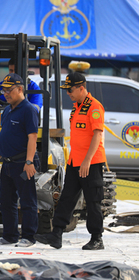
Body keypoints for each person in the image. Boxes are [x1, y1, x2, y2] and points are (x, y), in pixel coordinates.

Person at [35, 72, 106, 250]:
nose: (68, 93)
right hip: (75, 161)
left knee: (93, 200)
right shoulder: (77, 107)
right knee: (67, 198)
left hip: (91, 163)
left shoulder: (95, 107)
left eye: (70, 90)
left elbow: (97, 136)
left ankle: (97, 238)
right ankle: (56, 234)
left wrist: (87, 161)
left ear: (81, 88)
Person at [0, 73, 39, 248]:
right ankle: (9, 236)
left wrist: (29, 162)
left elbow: (32, 137)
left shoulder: (28, 110)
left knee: (27, 200)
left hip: (22, 164)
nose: (5, 94)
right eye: (4, 90)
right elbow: (4, 137)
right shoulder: (7, 111)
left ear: (20, 89)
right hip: (8, 164)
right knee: (6, 200)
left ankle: (29, 237)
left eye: (9, 90)